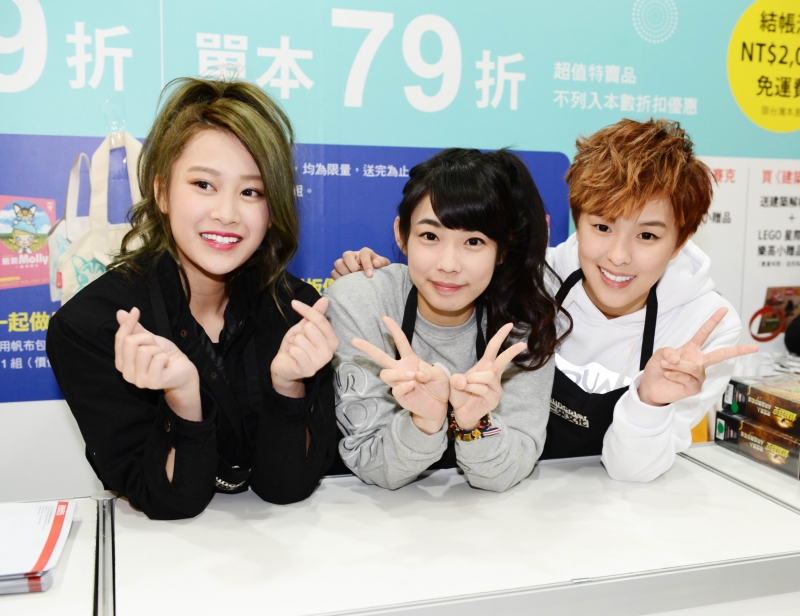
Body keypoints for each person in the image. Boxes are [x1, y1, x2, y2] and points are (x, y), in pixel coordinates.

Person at [331, 119, 757, 483]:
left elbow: (634, 470)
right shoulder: (536, 283)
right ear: (578, 219)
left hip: (602, 503)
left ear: (681, 241)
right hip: (513, 497)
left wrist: (651, 401)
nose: (618, 256)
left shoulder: (704, 328)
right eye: (602, 227)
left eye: (647, 235)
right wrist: (381, 278)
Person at [47, 78, 340, 520]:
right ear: (162, 192)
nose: (227, 213)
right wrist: (183, 398)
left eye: (251, 191)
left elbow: (286, 488)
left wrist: (289, 385)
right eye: (204, 184)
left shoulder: (295, 310)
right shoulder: (92, 328)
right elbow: (169, 501)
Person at [325, 148, 564, 491]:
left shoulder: (523, 319)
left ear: (502, 251)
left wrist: (475, 424)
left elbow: (509, 471)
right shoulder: (362, 302)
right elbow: (371, 463)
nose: (448, 265)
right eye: (430, 236)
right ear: (401, 234)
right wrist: (423, 422)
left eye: (474, 241)